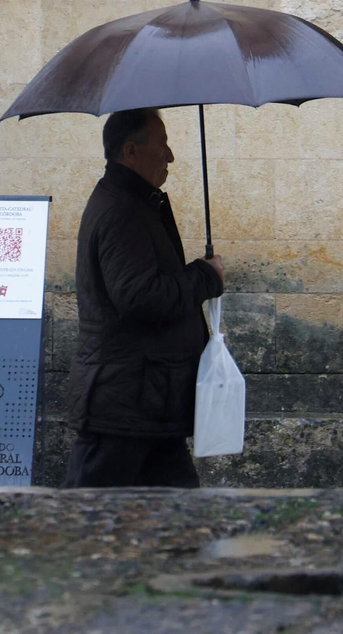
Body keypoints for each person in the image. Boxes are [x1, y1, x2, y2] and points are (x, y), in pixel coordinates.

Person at [62, 107, 225, 487]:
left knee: (177, 510)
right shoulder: (122, 211)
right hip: (123, 402)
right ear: (131, 151)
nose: (170, 156)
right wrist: (205, 276)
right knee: (86, 511)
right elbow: (140, 296)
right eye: (162, 144)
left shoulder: (135, 203)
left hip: (148, 399)